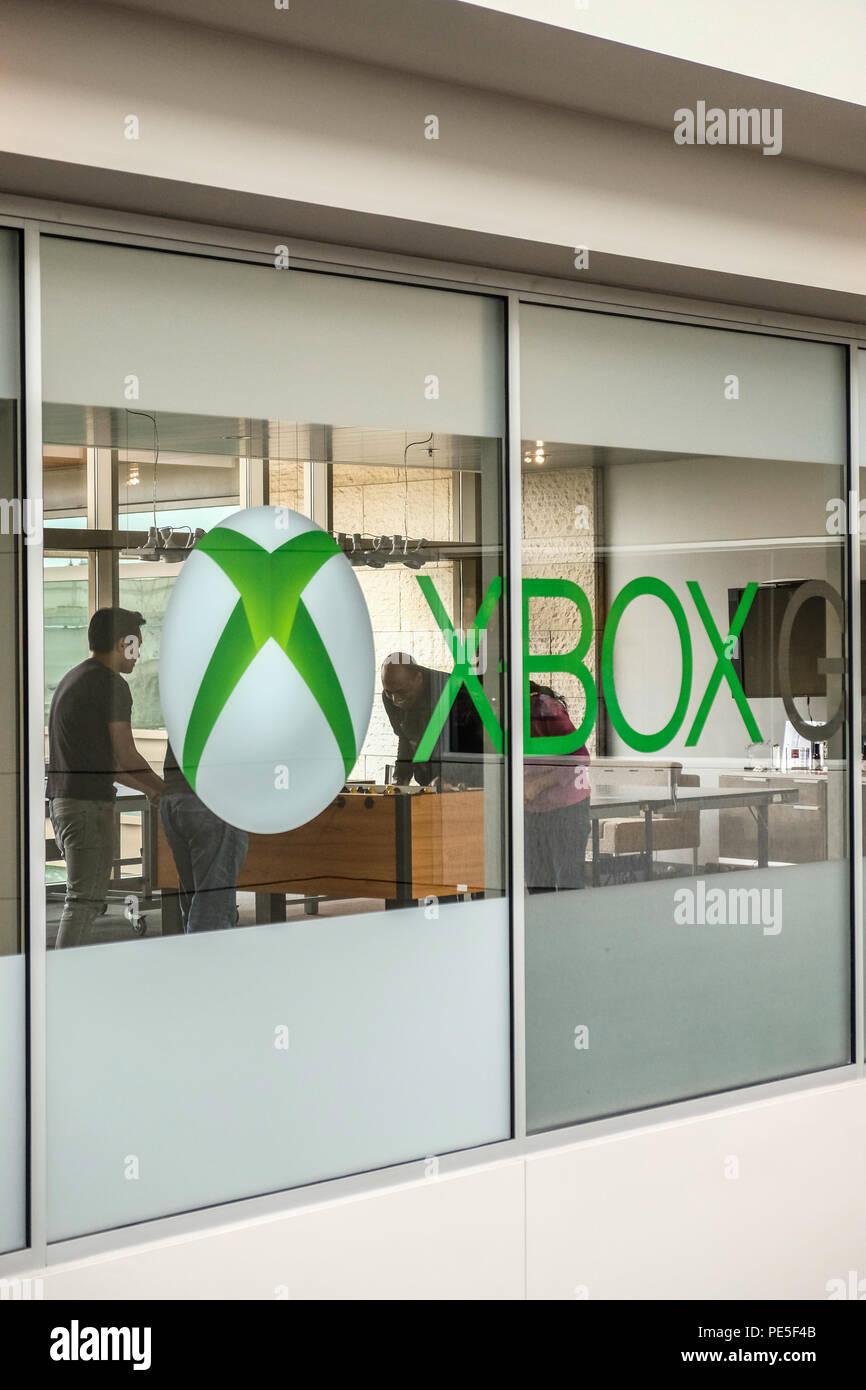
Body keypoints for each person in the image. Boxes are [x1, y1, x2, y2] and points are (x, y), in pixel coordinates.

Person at [46, 607, 164, 949]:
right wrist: (166, 792)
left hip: (66, 803)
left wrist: (151, 789)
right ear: (121, 643)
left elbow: (109, 763)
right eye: (136, 645)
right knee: (83, 902)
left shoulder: (75, 678)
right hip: (86, 809)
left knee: (84, 900)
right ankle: (66, 979)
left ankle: (70, 977)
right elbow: (126, 755)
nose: (138, 655)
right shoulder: (111, 685)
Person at [159, 742, 249, 934]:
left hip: (176, 792)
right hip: (214, 798)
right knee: (212, 913)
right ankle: (206, 961)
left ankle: (195, 959)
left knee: (197, 904)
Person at [380, 651, 485, 788]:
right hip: (429, 781)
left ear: (419, 678)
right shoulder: (390, 696)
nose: (395, 700)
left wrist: (448, 777)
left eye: (402, 692)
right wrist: (400, 777)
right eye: (389, 692)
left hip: (469, 782)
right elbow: (405, 737)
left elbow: (474, 745)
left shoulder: (453, 692)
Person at [524, 680, 591, 892]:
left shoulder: (544, 708)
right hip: (533, 809)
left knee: (568, 883)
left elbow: (580, 757)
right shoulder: (498, 715)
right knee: (537, 883)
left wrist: (539, 784)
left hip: (566, 806)